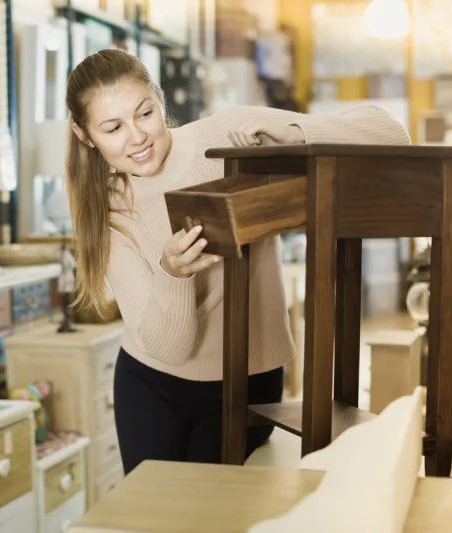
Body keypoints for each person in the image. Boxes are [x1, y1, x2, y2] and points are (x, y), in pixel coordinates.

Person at [64, 49, 411, 476]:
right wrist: (174, 275)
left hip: (246, 381)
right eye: (113, 128)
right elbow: (170, 349)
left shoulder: (224, 136)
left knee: (210, 514)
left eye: (144, 113)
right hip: (151, 382)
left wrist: (293, 132)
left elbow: (392, 135)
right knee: (154, 517)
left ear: (159, 98)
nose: (136, 137)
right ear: (85, 136)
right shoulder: (106, 208)